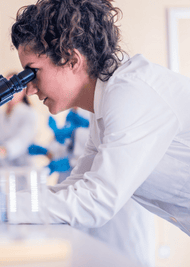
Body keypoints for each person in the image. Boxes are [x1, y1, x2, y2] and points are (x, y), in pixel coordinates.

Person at [8, 0, 190, 247]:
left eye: (33, 72)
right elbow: (78, 185)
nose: (29, 89)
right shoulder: (105, 104)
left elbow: (95, 201)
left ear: (71, 58)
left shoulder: (132, 93)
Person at [31, 108, 156, 266]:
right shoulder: (73, 113)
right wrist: (56, 148)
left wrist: (75, 138)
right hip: (85, 199)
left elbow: (110, 150)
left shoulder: (112, 103)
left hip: (118, 205)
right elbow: (74, 150)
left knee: (121, 253)